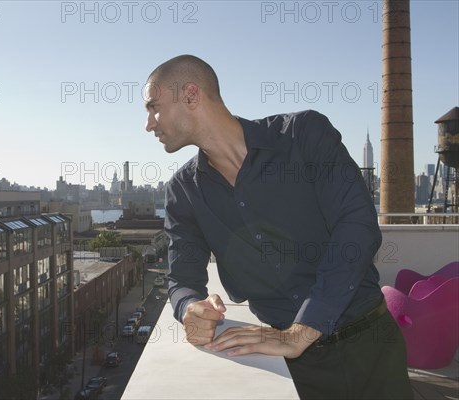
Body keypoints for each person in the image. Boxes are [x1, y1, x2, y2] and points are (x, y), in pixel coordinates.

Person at [144, 55, 413, 399]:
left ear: (191, 96)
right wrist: (189, 307)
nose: (149, 124)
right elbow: (181, 279)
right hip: (286, 365)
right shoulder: (183, 191)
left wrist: (304, 329)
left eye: (154, 108)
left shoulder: (304, 135)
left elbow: (357, 226)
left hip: (369, 348)